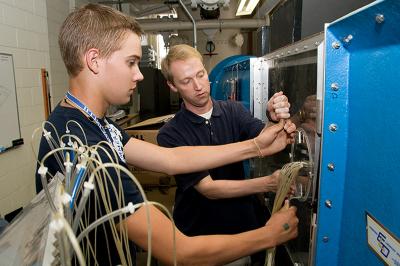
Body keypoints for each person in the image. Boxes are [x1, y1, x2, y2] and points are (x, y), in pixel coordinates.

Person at [36, 4, 298, 265]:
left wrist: (256, 146)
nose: (139, 75)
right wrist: (270, 235)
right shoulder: (81, 144)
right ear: (94, 61)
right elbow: (179, 251)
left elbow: (169, 159)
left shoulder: (92, 122)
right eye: (131, 63)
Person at [158, 44, 293, 265]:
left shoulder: (233, 111)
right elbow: (209, 189)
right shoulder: (170, 134)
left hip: (241, 226)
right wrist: (269, 183)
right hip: (199, 235)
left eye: (200, 75)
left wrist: (274, 118)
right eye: (186, 81)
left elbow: (267, 139)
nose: (198, 85)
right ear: (172, 86)